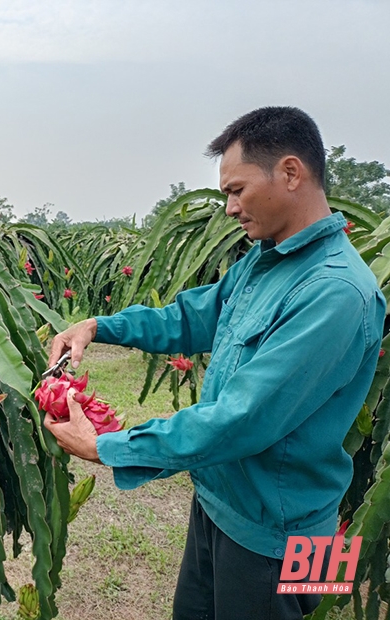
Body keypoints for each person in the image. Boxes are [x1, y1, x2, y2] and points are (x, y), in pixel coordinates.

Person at [43, 106, 385, 620]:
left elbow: (244, 418)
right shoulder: (265, 259)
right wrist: (99, 325)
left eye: (236, 190)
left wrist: (108, 447)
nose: (228, 208)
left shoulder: (337, 293)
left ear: (291, 173)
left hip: (287, 539)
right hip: (223, 504)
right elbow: (193, 316)